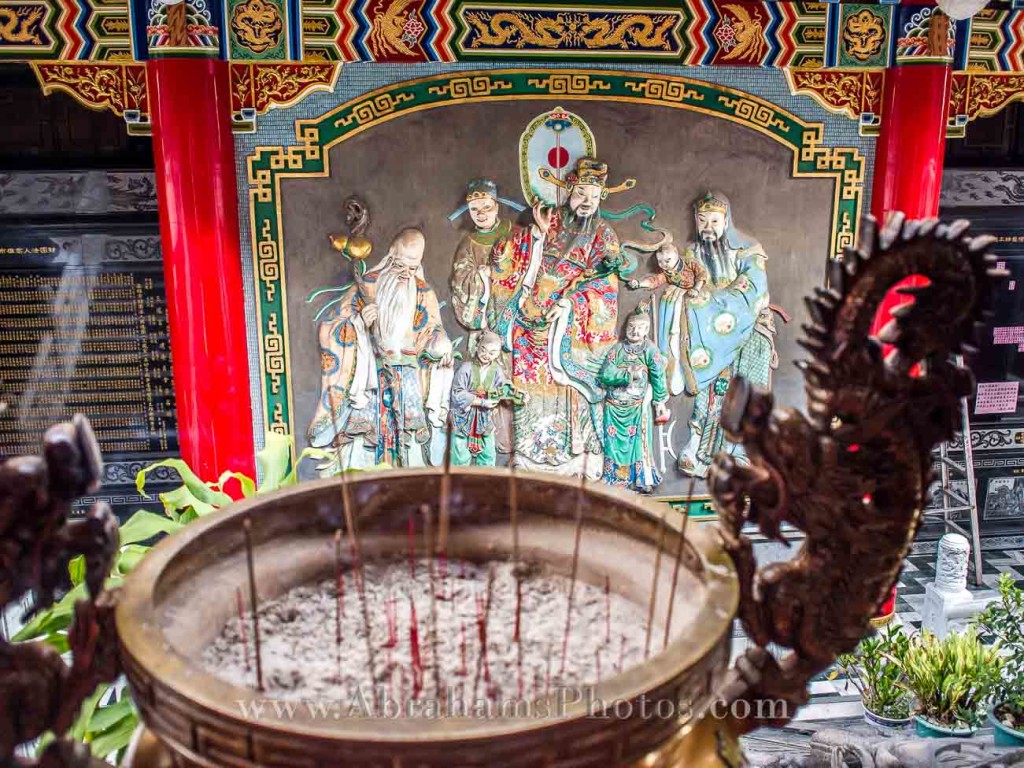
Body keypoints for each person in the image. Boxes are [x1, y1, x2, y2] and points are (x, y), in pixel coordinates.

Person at [486, 157, 633, 477]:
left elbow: (605, 285)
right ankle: (529, 454)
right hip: (532, 317)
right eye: (581, 193)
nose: (586, 202)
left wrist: (568, 306)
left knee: (572, 388)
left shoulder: (604, 234)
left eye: (593, 196)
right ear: (568, 191)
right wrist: (537, 236)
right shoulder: (547, 220)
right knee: (530, 384)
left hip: (572, 324)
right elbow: (511, 254)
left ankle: (577, 457)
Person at [307, 227, 453, 469]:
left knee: (408, 439)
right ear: (390, 257)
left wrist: (442, 345)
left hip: (408, 375)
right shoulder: (368, 287)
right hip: (371, 375)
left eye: (413, 267)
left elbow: (433, 331)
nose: (406, 274)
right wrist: (359, 323)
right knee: (366, 438)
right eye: (400, 266)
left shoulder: (424, 293)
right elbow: (333, 328)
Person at [674, 191, 776, 478]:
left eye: (714, 221)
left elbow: (754, 292)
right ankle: (697, 445)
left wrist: (712, 304)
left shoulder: (748, 250)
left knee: (746, 388)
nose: (707, 227)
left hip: (748, 327)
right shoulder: (693, 253)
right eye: (702, 220)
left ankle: (743, 451)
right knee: (709, 381)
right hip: (709, 330)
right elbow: (686, 281)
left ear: (726, 220)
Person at [599, 304, 669, 493]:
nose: (635, 331)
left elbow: (658, 376)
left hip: (637, 406)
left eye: (639, 327)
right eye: (631, 327)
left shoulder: (650, 350)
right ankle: (612, 477)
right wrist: (628, 372)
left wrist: (660, 402)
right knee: (612, 443)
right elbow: (605, 374)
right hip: (614, 406)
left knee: (637, 443)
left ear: (646, 330)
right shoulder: (617, 349)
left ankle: (639, 478)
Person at [628, 242, 709, 397]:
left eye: (667, 260)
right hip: (677, 294)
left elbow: (701, 274)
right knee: (669, 304)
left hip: (695, 293)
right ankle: (668, 359)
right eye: (660, 262)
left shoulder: (689, 262)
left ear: (677, 254)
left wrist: (696, 289)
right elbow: (655, 280)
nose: (664, 265)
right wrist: (638, 283)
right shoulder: (667, 273)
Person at [449, 331, 508, 466]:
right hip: (464, 416)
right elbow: (457, 393)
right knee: (460, 454)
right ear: (477, 346)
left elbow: (503, 389)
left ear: (498, 353)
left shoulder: (497, 371)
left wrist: (517, 394)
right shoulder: (466, 368)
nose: (487, 355)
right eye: (483, 350)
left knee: (488, 454)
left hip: (485, 416)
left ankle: (486, 483)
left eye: (492, 352)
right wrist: (481, 401)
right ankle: (459, 482)